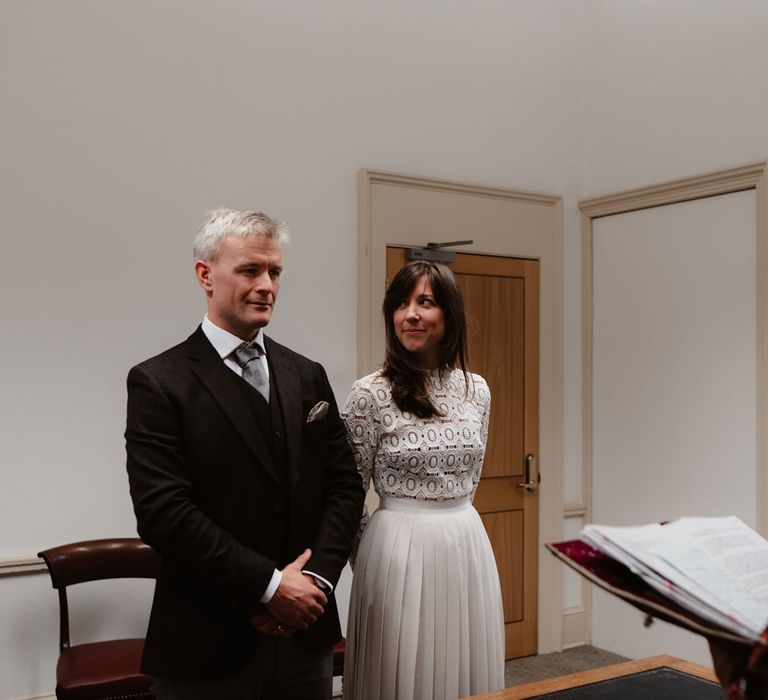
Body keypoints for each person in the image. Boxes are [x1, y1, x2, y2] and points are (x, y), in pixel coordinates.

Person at [125, 208, 365, 699]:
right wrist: (272, 588)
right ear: (205, 275)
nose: (266, 285)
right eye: (250, 270)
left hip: (306, 636)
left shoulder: (307, 375)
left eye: (274, 271)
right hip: (209, 641)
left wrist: (315, 580)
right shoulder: (159, 382)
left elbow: (344, 485)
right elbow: (164, 514)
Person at [341, 260, 505, 700]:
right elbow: (347, 493)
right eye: (400, 303)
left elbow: (471, 476)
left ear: (448, 314)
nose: (409, 314)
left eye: (425, 302)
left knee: (464, 669)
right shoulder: (368, 394)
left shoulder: (478, 390)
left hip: (465, 542)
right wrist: (370, 561)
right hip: (396, 550)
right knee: (401, 673)